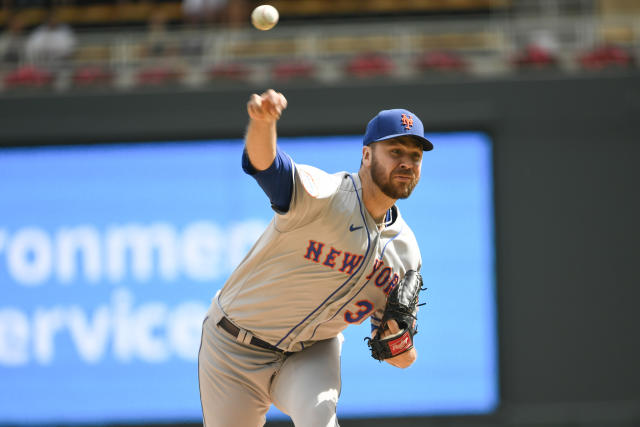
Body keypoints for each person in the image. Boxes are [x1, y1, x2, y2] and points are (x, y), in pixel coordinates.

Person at [198, 89, 433, 427]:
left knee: (319, 420)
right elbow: (267, 167)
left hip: (311, 351)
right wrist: (263, 124)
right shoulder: (324, 194)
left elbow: (401, 356)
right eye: (395, 151)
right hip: (234, 347)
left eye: (416, 155)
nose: (407, 162)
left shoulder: (405, 251)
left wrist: (398, 342)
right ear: (366, 155)